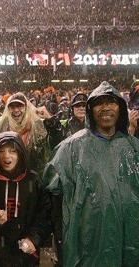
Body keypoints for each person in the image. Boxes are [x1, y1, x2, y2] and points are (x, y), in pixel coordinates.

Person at [43, 81, 139, 267]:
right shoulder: (71, 148)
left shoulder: (133, 148)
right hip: (88, 240)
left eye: (111, 102)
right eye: (99, 103)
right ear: (91, 110)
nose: (105, 108)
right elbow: (51, 192)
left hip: (129, 239)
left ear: (120, 107)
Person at [0, 131, 51, 267]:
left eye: (13, 151)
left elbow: (44, 215)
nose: (6, 156)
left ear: (21, 153)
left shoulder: (33, 180)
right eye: (1, 151)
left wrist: (33, 239)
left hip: (26, 253)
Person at [0, 92, 50, 175]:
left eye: (20, 106)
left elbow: (49, 148)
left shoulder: (37, 126)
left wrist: (50, 120)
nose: (16, 110)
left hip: (30, 177)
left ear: (26, 108)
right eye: (12, 106)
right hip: (6, 175)